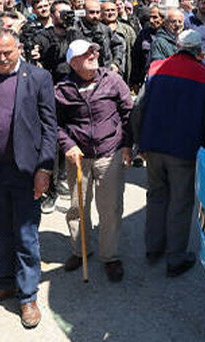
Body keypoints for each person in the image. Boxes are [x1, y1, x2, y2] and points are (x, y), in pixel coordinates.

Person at [0, 28, 58, 329]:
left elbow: (49, 127)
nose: (3, 58)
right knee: (0, 232)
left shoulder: (39, 78)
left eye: (8, 52)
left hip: (26, 171)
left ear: (19, 47)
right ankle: (4, 283)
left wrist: (44, 169)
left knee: (26, 235)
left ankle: (28, 295)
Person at [54, 40, 133, 282]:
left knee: (110, 208)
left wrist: (128, 145)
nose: (92, 55)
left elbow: (128, 111)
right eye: (85, 53)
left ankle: (110, 256)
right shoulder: (62, 89)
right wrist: (68, 145)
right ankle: (80, 251)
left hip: (110, 152)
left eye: (93, 51)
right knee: (78, 207)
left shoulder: (112, 80)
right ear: (73, 62)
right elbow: (53, 123)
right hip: (79, 156)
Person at [135, 30, 205, 277]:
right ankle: (175, 258)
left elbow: (139, 107)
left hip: (153, 145)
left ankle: (153, 248)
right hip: (183, 149)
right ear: (199, 51)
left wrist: (139, 142)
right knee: (180, 201)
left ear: (177, 46)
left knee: (156, 196)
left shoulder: (156, 68)